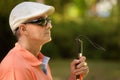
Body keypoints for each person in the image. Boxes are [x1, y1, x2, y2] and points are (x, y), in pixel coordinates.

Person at [0, 1, 89, 80]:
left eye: (48, 20)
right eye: (41, 21)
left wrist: (74, 76)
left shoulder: (40, 60)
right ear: (23, 29)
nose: (49, 26)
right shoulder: (15, 68)